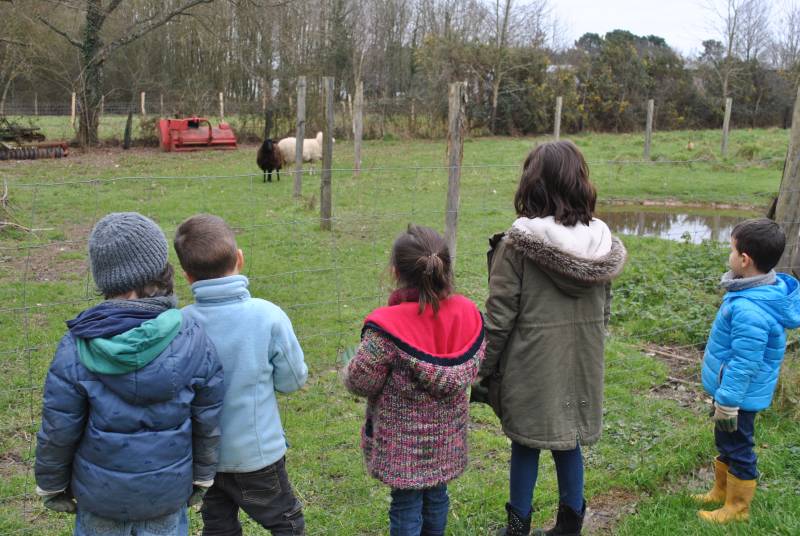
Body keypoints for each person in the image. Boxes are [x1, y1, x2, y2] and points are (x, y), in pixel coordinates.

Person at [35, 212, 224, 536]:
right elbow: (206, 419)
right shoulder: (194, 337)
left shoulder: (76, 347)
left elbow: (59, 428)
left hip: (100, 502)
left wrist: (52, 484)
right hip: (166, 497)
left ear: (104, 277)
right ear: (158, 269)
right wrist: (203, 475)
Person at [479, 141, 627, 536]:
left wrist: (481, 369)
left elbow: (497, 319)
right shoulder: (602, 246)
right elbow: (605, 311)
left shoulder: (517, 246)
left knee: (525, 443)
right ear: (580, 183)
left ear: (533, 185)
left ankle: (517, 527)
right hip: (581, 364)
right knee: (568, 440)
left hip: (531, 367)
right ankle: (570, 524)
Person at [342, 224, 485, 536]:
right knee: (437, 496)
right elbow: (475, 363)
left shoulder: (386, 329)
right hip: (447, 438)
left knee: (406, 506)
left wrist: (348, 366)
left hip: (402, 445)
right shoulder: (467, 315)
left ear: (395, 271)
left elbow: (360, 381)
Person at [174, 214, 308, 536]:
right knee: (285, 521)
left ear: (188, 276)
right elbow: (293, 380)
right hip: (257, 454)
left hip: (204, 456)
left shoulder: (180, 324)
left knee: (218, 525)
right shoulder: (268, 316)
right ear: (240, 259)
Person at [694, 218, 800, 524]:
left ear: (744, 260)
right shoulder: (754, 291)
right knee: (726, 441)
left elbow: (744, 362)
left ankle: (737, 508)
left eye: (731, 249)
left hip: (738, 396)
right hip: (732, 391)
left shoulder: (750, 309)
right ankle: (720, 492)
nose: (728, 255)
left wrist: (727, 401)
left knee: (739, 446)